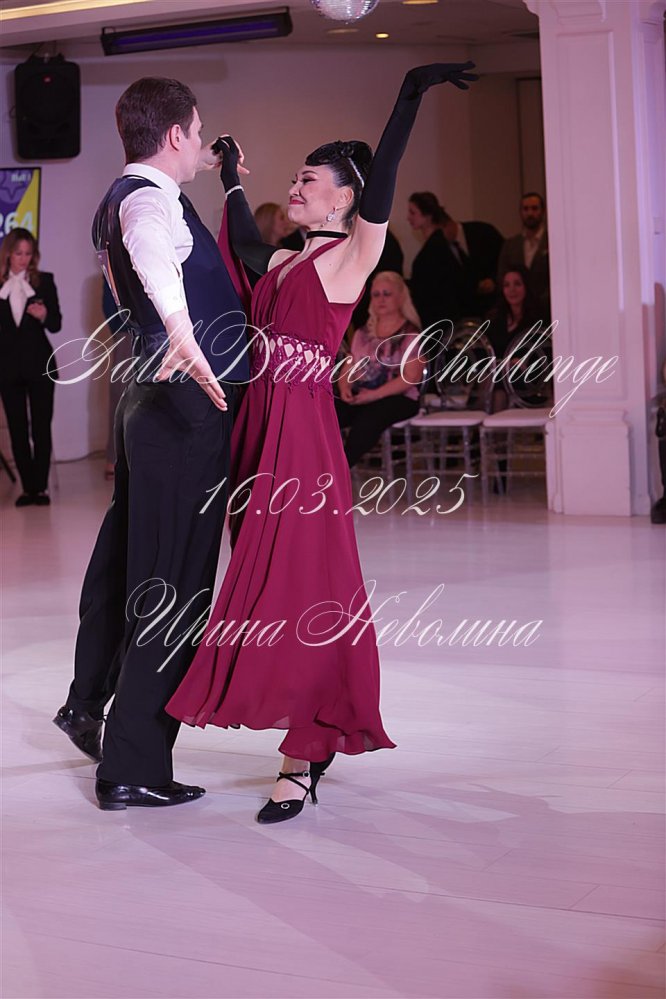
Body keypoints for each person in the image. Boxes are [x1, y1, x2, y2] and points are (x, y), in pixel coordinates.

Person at [166, 61, 478, 824]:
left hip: (302, 439)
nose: (296, 188)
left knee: (303, 590)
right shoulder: (287, 259)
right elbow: (246, 243)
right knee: (267, 587)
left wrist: (407, 93)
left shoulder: (351, 256)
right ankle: (312, 728)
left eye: (309, 180)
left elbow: (384, 180)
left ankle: (301, 757)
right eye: (296, 179)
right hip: (257, 430)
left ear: (344, 197)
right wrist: (230, 177)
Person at [53, 77, 250, 811]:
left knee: (136, 564)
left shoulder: (132, 192)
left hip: (154, 403)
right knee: (174, 585)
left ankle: (93, 708)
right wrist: (182, 331)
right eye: (195, 133)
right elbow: (152, 250)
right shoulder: (145, 202)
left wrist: (220, 168)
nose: (200, 144)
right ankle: (131, 765)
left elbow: (154, 235)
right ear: (173, 135)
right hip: (181, 407)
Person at [0, 227, 61, 507]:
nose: (23, 259)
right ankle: (28, 489)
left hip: (39, 366)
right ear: (8, 255)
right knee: (17, 430)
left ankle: (41, 488)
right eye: (18, 253)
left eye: (28, 253)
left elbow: (56, 324)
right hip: (7, 369)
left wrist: (44, 314)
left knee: (41, 427)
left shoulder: (44, 281)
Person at [336, 271, 423, 466]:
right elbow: (350, 364)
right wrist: (344, 388)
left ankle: (339, 469)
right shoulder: (362, 333)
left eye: (387, 294)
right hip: (364, 394)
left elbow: (411, 377)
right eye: (376, 295)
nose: (381, 299)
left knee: (368, 420)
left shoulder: (410, 334)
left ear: (400, 297)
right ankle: (310, 464)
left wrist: (373, 395)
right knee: (328, 411)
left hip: (399, 397)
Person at [407, 192, 476, 328]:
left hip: (440, 322)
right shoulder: (440, 245)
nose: (408, 218)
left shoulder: (435, 249)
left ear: (427, 215)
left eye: (413, 213)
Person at [497, 192, 550, 318]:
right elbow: (502, 277)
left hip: (547, 308)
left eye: (534, 208)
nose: (530, 213)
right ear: (520, 212)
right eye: (525, 209)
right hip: (517, 312)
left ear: (543, 211)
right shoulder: (511, 244)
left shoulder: (552, 242)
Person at [442, 214, 503, 315]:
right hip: (467, 310)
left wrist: (494, 280)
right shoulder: (443, 249)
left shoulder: (483, 232)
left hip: (496, 304)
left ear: (447, 224)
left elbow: (506, 258)